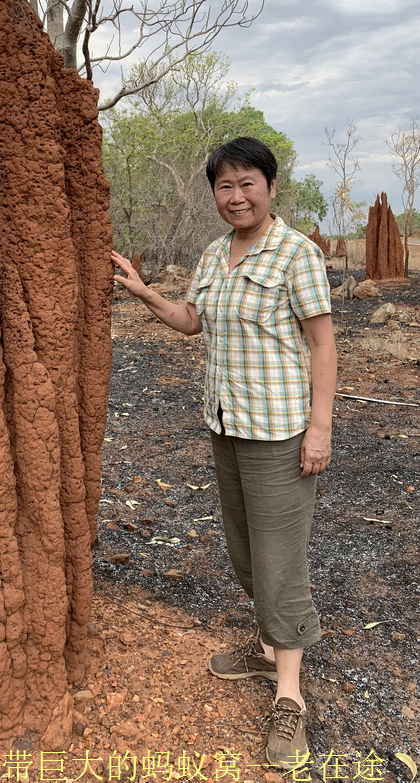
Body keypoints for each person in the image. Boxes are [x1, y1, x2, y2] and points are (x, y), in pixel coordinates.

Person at [111, 136, 336, 770]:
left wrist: (320, 430)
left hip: (281, 433)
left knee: (280, 558)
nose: (236, 196)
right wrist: (141, 291)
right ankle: (267, 652)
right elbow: (192, 321)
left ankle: (288, 695)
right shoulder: (215, 254)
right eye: (224, 186)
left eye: (248, 183)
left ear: (270, 186)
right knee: (243, 550)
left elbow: (323, 347)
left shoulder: (296, 256)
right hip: (226, 427)